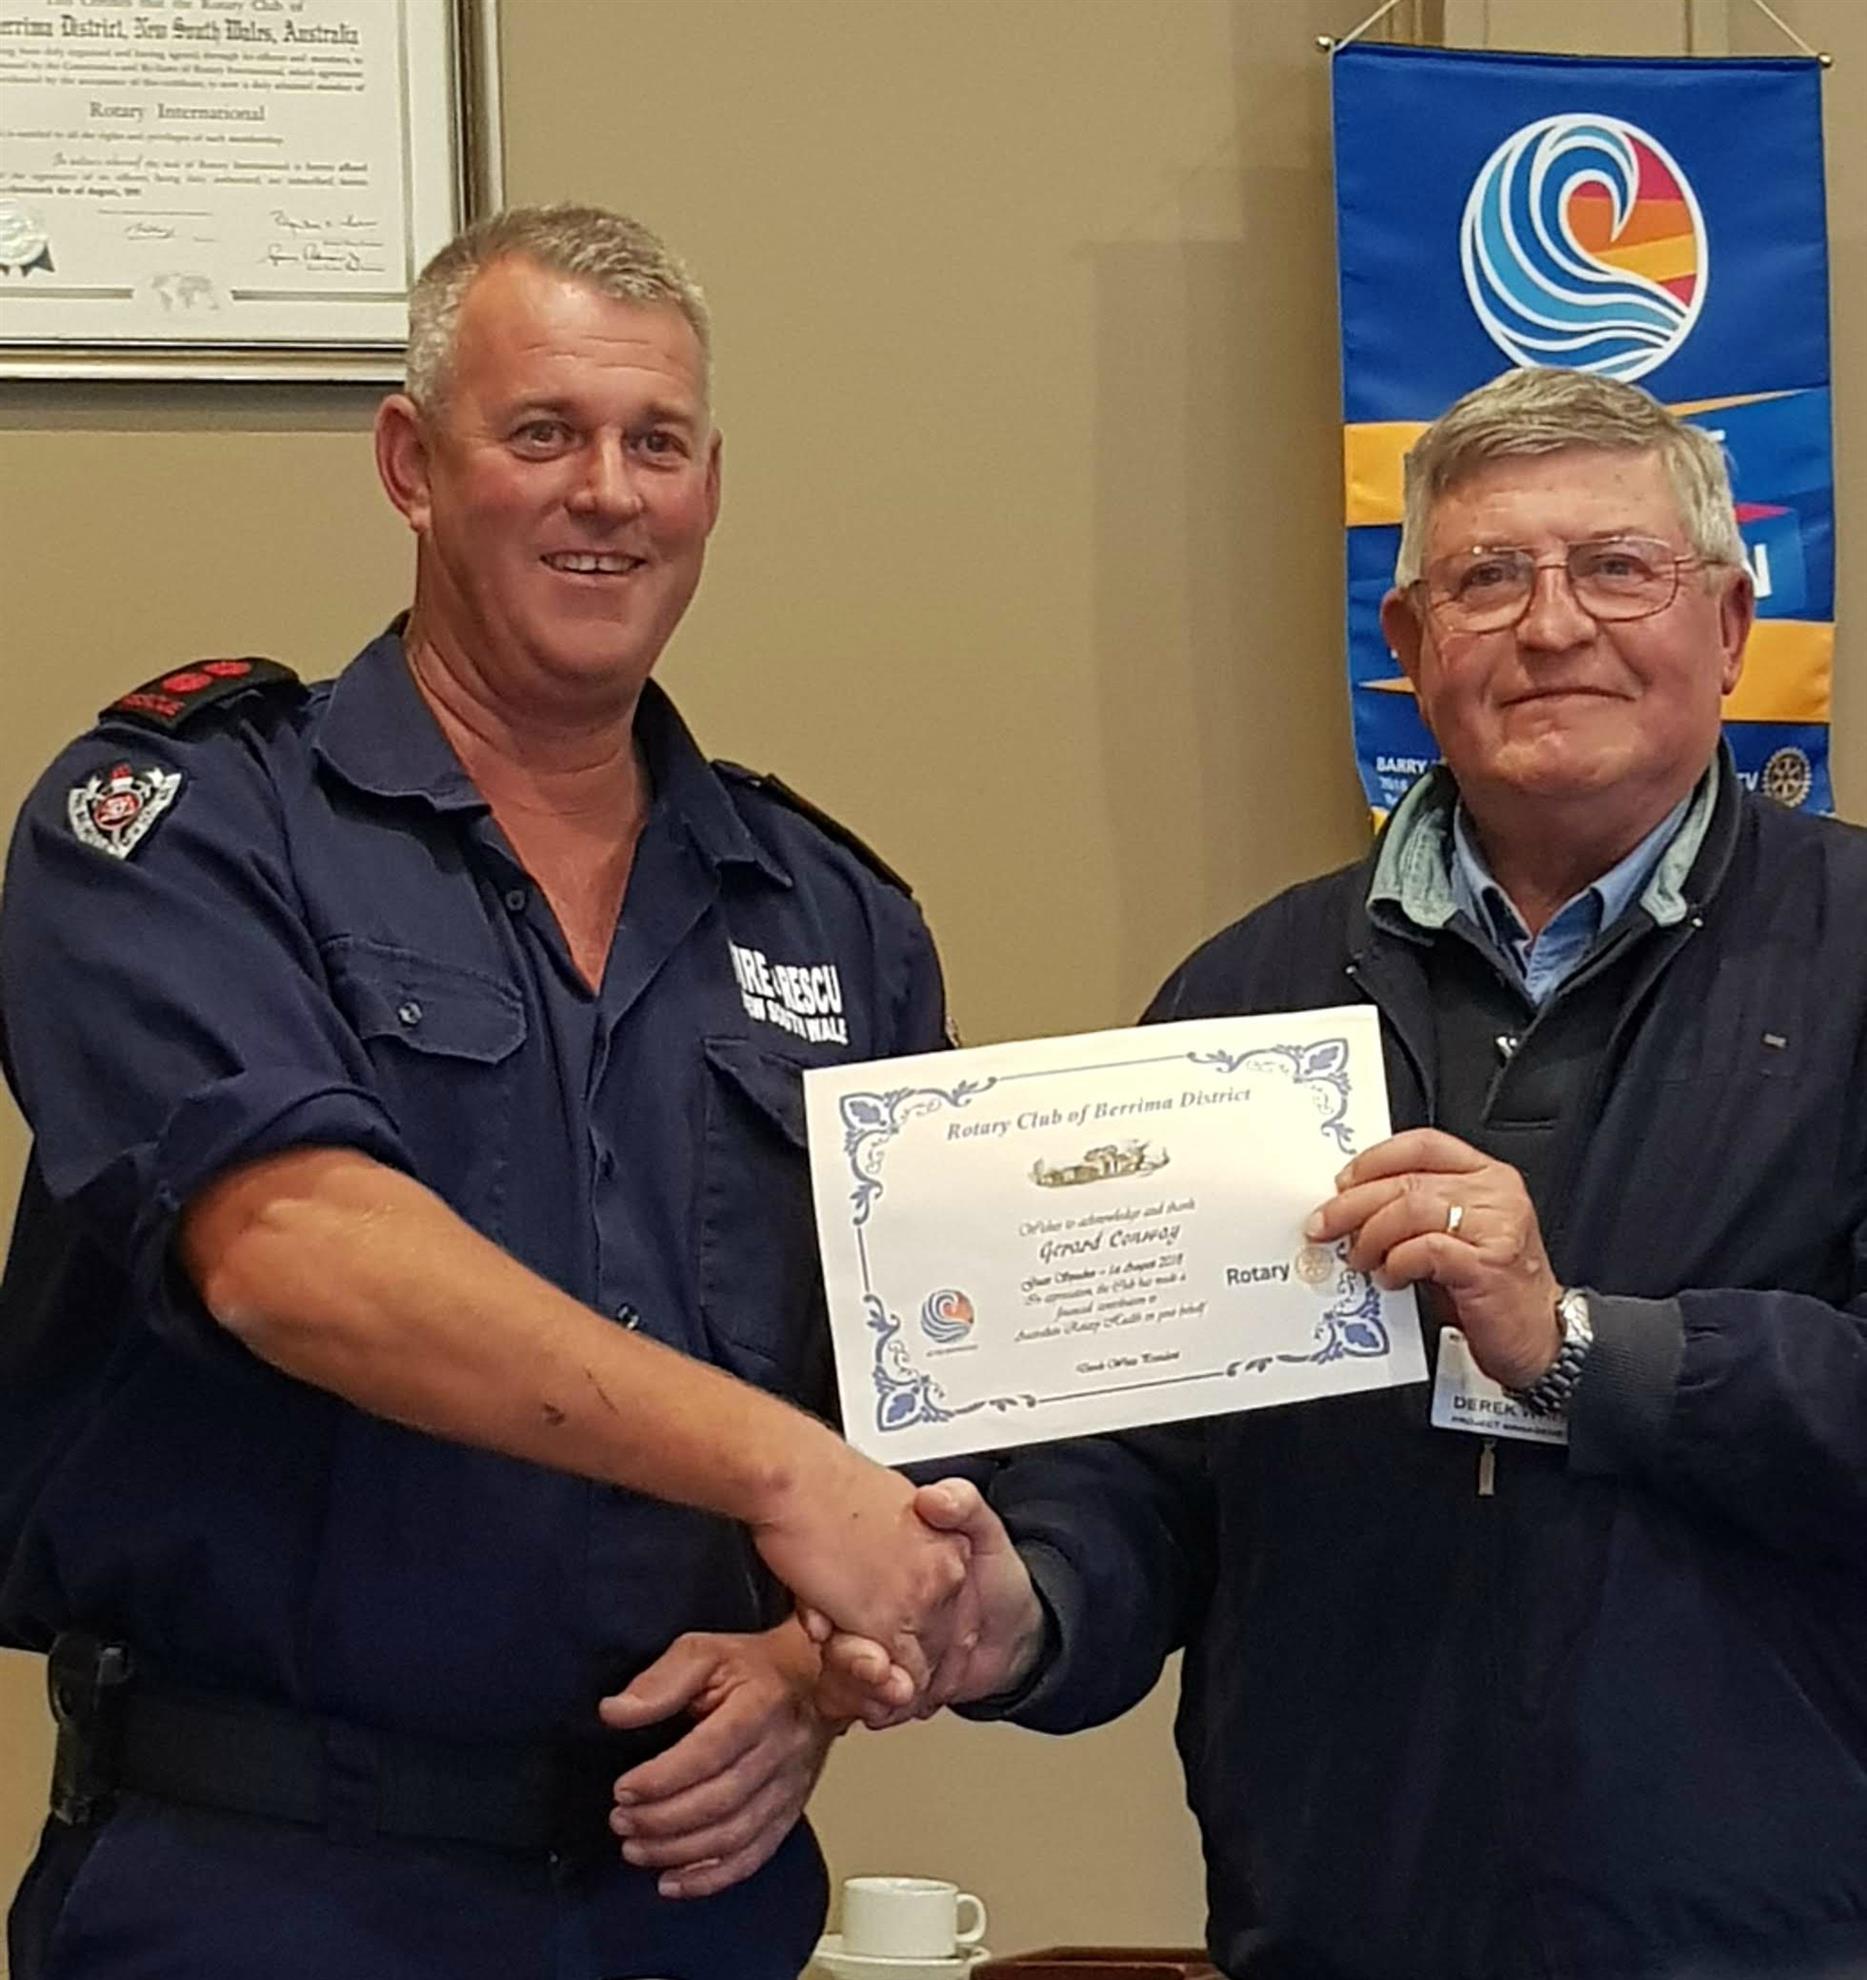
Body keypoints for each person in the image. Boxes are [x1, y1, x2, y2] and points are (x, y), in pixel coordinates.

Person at [0, 204, 973, 1980]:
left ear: (710, 488)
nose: (608, 492)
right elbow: (293, 1254)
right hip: (269, 1886)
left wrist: (812, 1671)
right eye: (543, 433)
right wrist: (777, 1471)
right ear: (412, 464)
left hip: (683, 1888)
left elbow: (922, 1380)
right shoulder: (185, 826)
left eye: (656, 444)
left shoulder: (830, 913)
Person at [835, 366, 1867, 1979]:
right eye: (1487, 579)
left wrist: (1586, 1349)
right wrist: (1024, 1606)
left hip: (1777, 1937)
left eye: (1618, 569)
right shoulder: (1244, 1002)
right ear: (1409, 646)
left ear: (1731, 628)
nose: (1552, 626)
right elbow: (1143, 1468)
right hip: (1336, 1922)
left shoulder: (1853, 959)